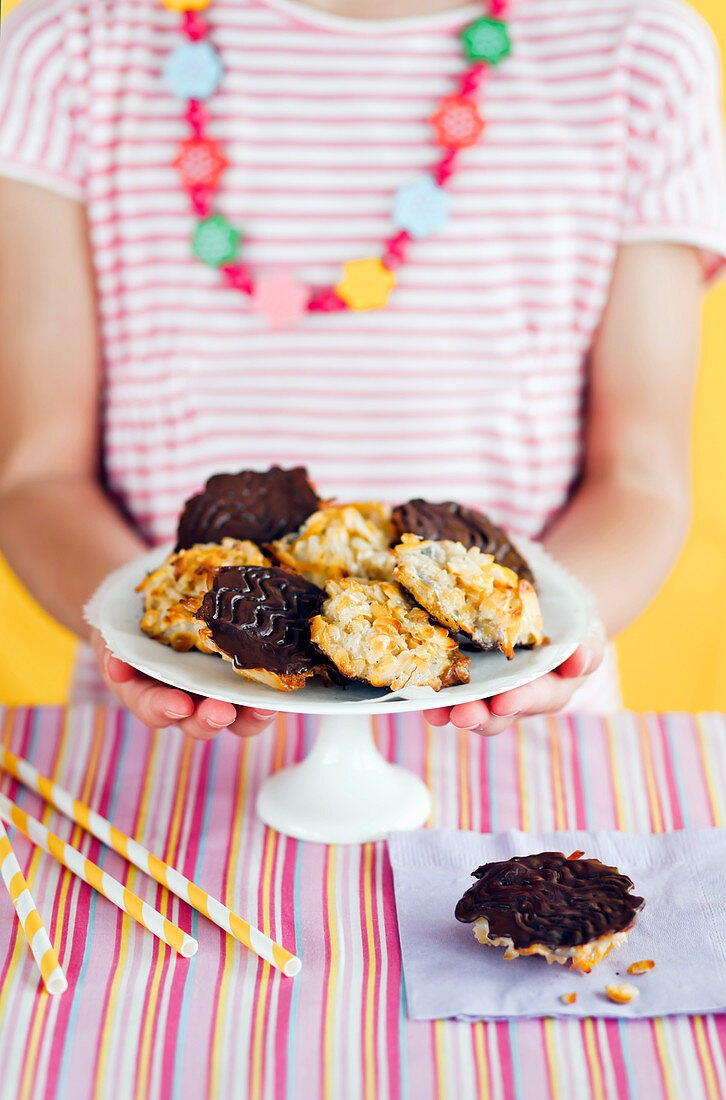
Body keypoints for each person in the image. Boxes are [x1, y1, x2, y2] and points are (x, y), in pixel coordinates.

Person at [0, 0, 724, 741]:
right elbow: (38, 475)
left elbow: (639, 473)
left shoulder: (638, 51)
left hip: (528, 750)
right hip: (164, 754)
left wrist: (545, 641)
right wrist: (155, 633)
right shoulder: (71, 46)